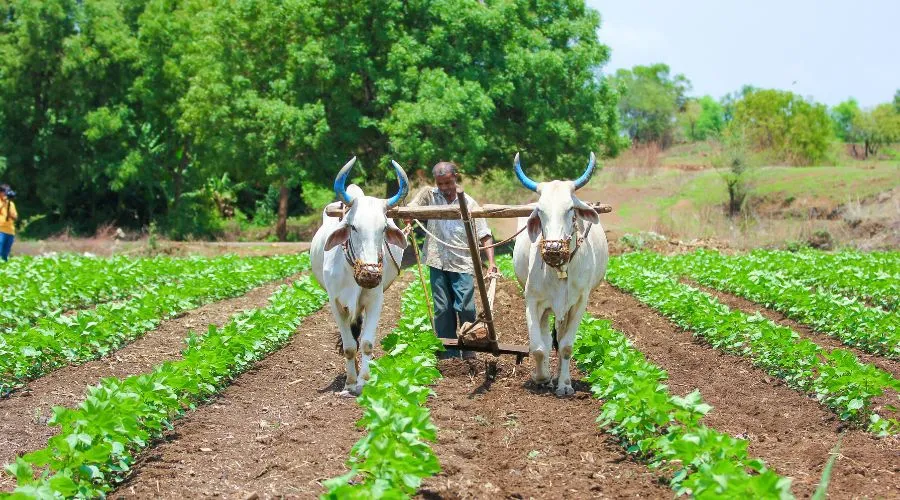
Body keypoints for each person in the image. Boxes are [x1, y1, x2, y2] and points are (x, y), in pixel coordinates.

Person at [406, 162, 497, 359]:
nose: (445, 188)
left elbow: (485, 234)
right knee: (442, 308)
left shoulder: (470, 203)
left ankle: (470, 349)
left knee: (466, 307)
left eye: (448, 182)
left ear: (456, 177)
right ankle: (449, 356)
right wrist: (408, 216)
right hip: (436, 260)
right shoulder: (429, 196)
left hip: (462, 262)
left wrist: (491, 262)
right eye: (440, 184)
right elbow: (410, 210)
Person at [0, 184, 17, 262]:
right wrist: (3, 203)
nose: (6, 194)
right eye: (4, 192)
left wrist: (8, 204)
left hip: (10, 231)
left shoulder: (11, 204)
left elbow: (15, 217)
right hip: (1, 230)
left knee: (5, 254)